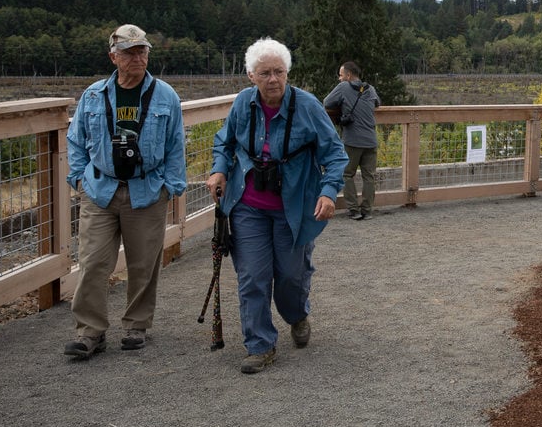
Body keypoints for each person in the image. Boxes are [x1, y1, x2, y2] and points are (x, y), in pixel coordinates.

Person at [206, 38, 348, 374]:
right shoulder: (243, 104)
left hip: (293, 206)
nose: (273, 80)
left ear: (287, 74)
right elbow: (223, 143)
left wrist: (328, 192)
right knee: (252, 276)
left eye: (279, 72)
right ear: (251, 76)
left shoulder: (308, 106)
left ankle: (296, 314)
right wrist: (218, 169)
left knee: (289, 276)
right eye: (265, 73)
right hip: (248, 205)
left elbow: (335, 154)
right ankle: (260, 345)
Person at [64, 24, 187, 360]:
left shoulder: (166, 97)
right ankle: (90, 332)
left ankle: (136, 325)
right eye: (130, 52)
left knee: (144, 264)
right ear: (113, 57)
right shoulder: (93, 96)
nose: (137, 57)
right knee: (91, 262)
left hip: (147, 189)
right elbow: (75, 139)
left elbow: (176, 143)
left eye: (142, 51)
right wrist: (77, 177)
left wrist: (171, 186)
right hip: (100, 188)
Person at [323, 61, 382, 219]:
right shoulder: (370, 89)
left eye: (341, 75)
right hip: (371, 140)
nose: (339, 79)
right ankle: (367, 210)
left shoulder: (343, 87)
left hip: (352, 140)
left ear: (348, 75)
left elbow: (327, 102)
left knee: (346, 174)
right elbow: (377, 103)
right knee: (369, 176)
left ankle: (353, 210)